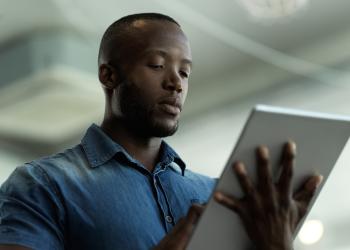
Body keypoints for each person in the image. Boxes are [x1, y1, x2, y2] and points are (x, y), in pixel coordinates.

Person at [0, 13, 322, 250]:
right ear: (108, 76)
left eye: (185, 72)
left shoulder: (219, 195)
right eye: (157, 65)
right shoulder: (43, 185)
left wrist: (278, 244)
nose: (176, 83)